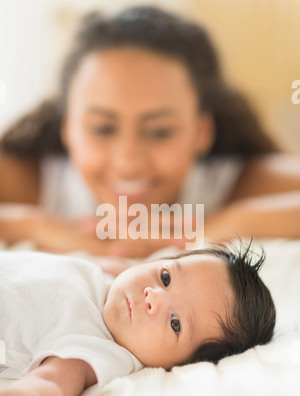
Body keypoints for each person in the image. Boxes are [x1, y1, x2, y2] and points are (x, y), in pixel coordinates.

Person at [0, 6, 299, 260]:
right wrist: (31, 227)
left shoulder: (234, 185)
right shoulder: (34, 182)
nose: (128, 161)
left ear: (201, 132)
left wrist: (223, 226)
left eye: (159, 132)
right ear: (67, 128)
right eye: (102, 129)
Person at [0, 241, 275, 396]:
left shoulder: (95, 349)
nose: (153, 297)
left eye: (176, 324)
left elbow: (48, 389)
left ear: (181, 364)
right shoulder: (109, 277)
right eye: (165, 278)